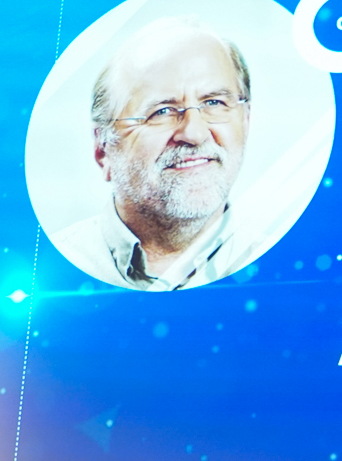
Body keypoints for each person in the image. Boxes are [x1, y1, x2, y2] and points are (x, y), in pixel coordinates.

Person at [87, 16, 253, 291]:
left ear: (246, 120)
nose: (195, 133)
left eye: (214, 102)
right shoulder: (50, 274)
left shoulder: (286, 272)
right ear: (103, 149)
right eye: (161, 111)